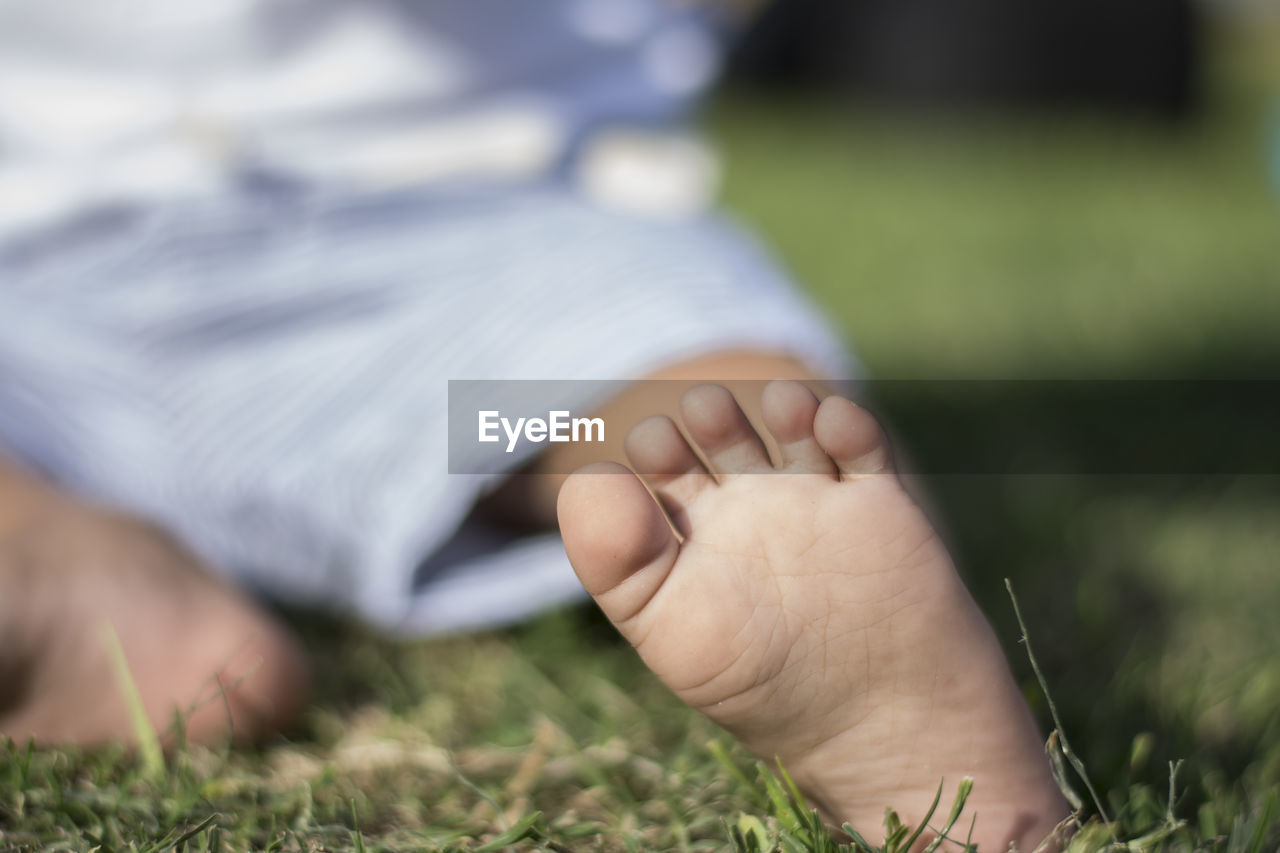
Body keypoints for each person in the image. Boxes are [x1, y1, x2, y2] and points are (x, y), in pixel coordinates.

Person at [0, 0, 1069, 848]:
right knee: (621, 387)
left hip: (452, 234)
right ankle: (55, 561)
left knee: (669, 396)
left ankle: (780, 539)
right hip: (59, 293)